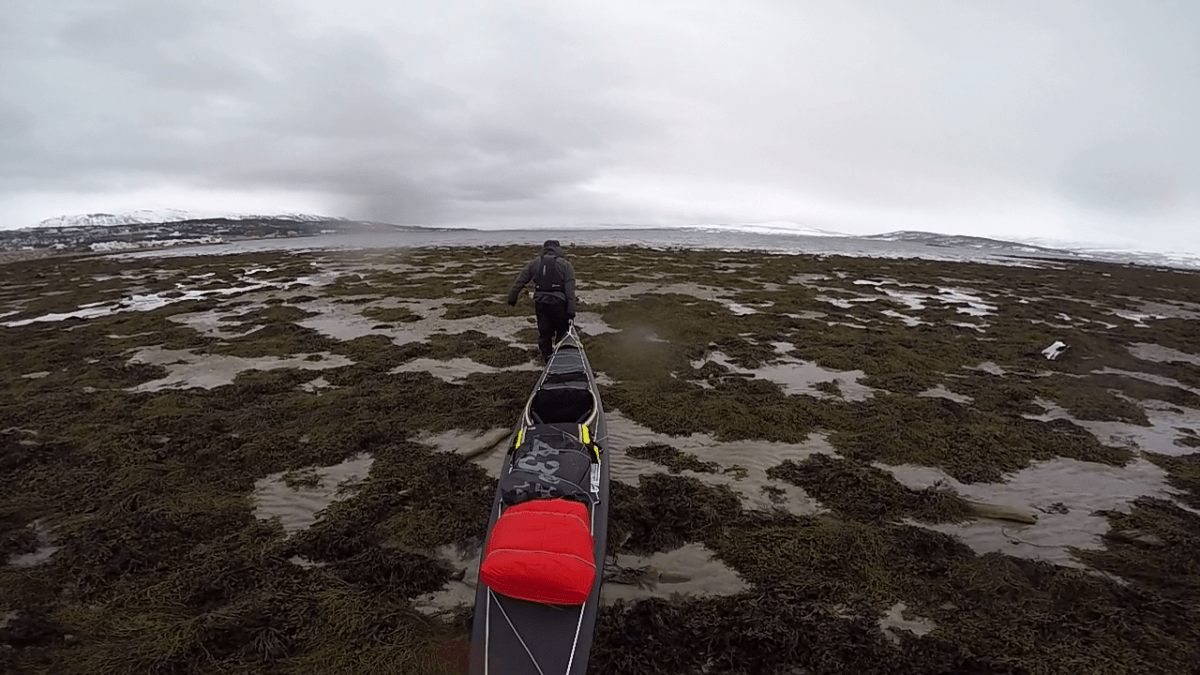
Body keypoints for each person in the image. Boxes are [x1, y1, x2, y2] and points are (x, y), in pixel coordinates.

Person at [507, 239, 577, 361]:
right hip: (559, 304)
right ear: (558, 249)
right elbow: (570, 292)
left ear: (544, 249)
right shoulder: (566, 265)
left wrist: (512, 298)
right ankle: (559, 357)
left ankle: (547, 358)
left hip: (541, 304)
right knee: (562, 332)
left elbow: (520, 281)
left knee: (545, 333)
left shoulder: (534, 263)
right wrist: (571, 311)